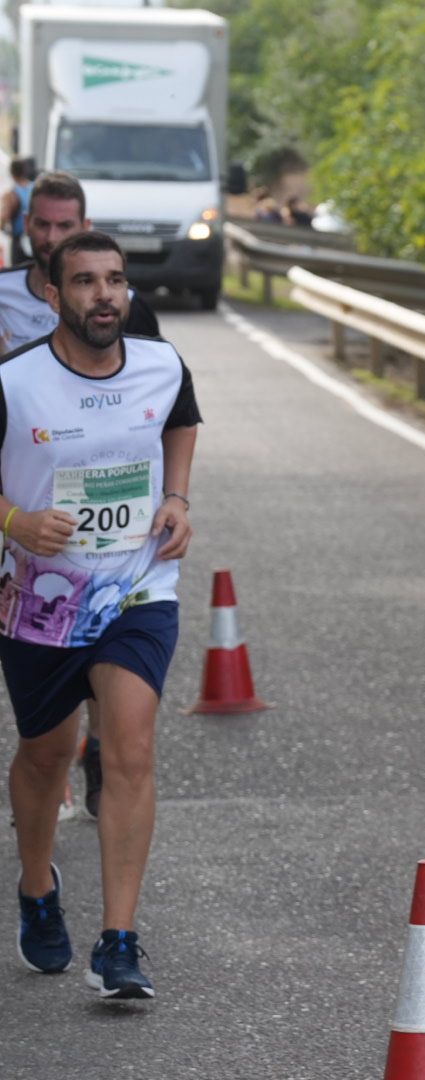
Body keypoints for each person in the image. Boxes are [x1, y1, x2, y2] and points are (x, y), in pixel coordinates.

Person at [4, 230, 200, 999]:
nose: (104, 295)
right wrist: (16, 522)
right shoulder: (15, 383)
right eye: (84, 281)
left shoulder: (161, 361)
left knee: (130, 749)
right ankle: (35, 888)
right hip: (42, 597)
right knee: (47, 756)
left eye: (115, 280)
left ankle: (119, 940)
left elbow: (180, 420)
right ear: (51, 294)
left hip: (138, 588)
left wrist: (177, 497)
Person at [0, 171, 162, 819]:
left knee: (110, 645)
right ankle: (51, 769)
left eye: (66, 226)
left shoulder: (129, 311)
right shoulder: (4, 294)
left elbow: (170, 406)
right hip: (23, 505)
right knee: (44, 666)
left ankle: (99, 746)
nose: (50, 235)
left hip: (113, 533)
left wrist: (174, 496)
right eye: (41, 224)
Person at [1, 157, 37, 268]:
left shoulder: (12, 194)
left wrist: (4, 228)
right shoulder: (36, 188)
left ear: (11, 173)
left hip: (19, 241)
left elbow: (3, 217)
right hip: (36, 238)